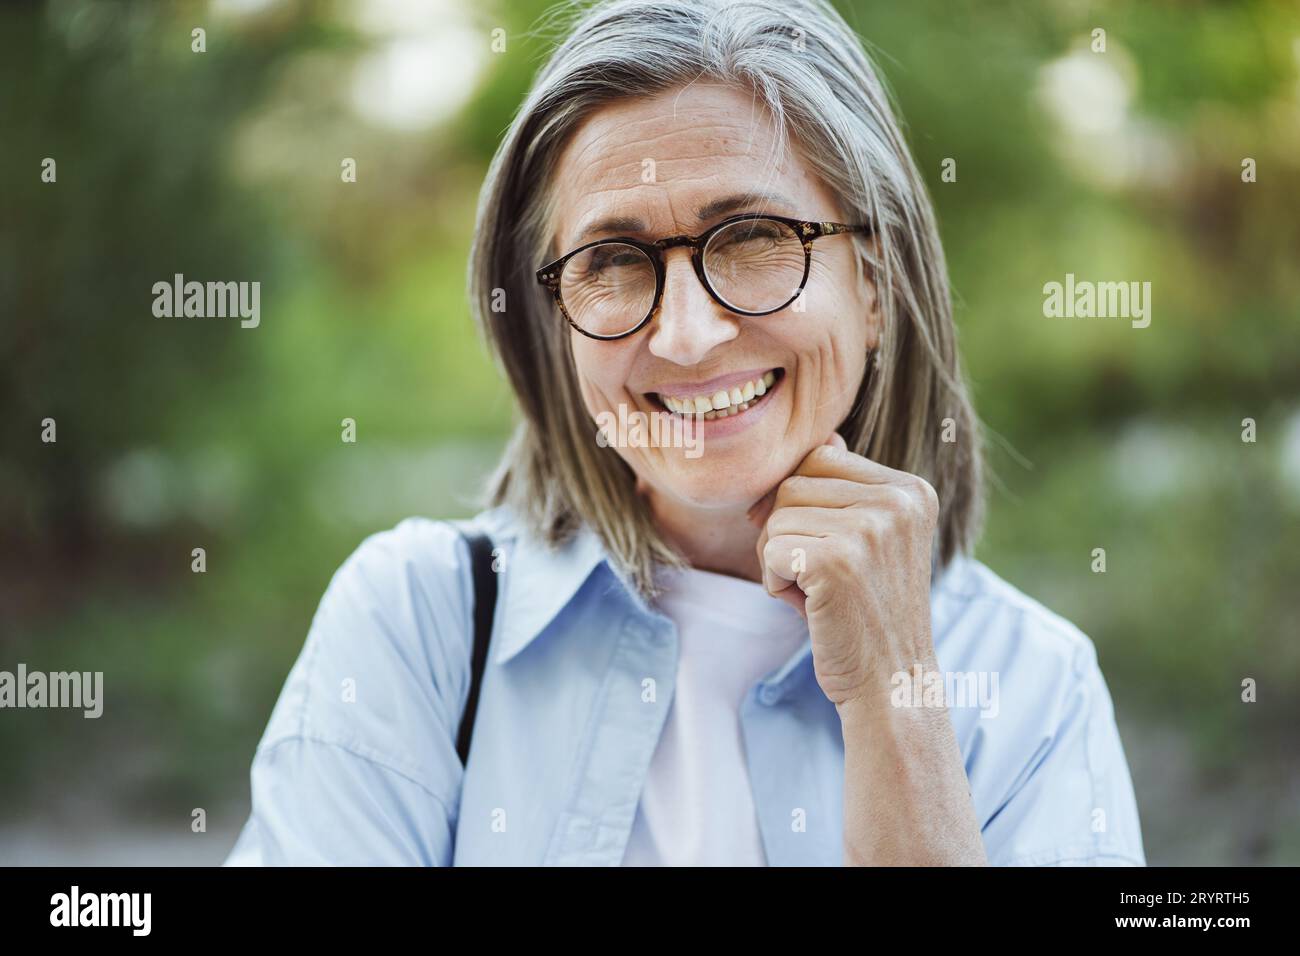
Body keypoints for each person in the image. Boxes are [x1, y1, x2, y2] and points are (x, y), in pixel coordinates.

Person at [225, 0, 1144, 866]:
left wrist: (896, 698)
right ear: (555, 320)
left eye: (751, 237)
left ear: (873, 285)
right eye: (611, 261)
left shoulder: (1032, 686)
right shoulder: (416, 623)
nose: (687, 335)